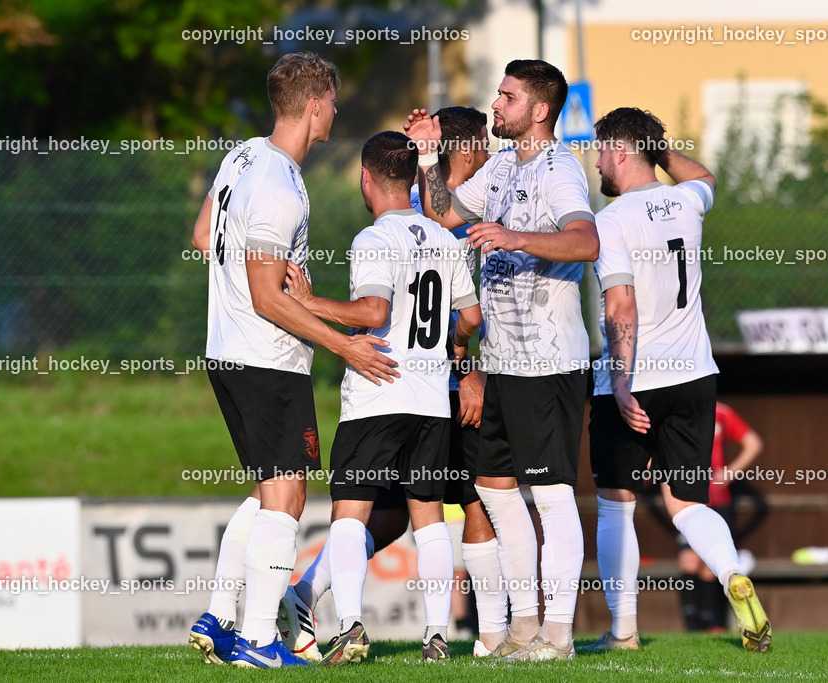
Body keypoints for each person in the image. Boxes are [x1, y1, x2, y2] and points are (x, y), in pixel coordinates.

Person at [186, 52, 399, 669]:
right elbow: (264, 295)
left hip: (225, 351)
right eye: (332, 100)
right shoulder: (280, 183)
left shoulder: (242, 156)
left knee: (265, 492)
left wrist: (258, 278)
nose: (336, 110)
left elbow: (204, 237)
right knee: (287, 498)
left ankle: (220, 617)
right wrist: (344, 345)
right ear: (313, 105)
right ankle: (258, 641)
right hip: (266, 358)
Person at [277, 107, 508, 661]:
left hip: (377, 394)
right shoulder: (445, 237)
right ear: (410, 178)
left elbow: (371, 308)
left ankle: (352, 626)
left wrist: (310, 303)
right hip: (431, 403)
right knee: (428, 518)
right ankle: (436, 636)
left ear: (365, 178)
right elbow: (471, 319)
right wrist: (444, 352)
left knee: (351, 514)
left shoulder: (372, 238)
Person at [406, 59, 599, 661]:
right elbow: (442, 212)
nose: (497, 103)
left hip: (549, 363)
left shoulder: (559, 167)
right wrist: (425, 156)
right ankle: (522, 629)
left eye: (508, 96)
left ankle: (560, 634)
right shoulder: (502, 172)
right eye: (499, 93)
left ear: (539, 111)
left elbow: (586, 240)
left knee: (552, 496)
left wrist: (515, 237)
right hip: (505, 363)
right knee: (494, 489)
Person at [583, 107, 772, 654]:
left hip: (638, 375)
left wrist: (619, 382)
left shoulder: (611, 219)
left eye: (602, 149)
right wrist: (656, 149)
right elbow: (705, 177)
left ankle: (623, 632)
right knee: (687, 502)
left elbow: (621, 303)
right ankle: (733, 571)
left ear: (620, 150)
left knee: (617, 501)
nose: (597, 161)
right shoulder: (688, 202)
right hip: (695, 374)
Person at [677, 402, 763, 631]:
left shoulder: (722, 413)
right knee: (689, 562)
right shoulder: (674, 408)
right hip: (687, 499)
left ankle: (714, 625)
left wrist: (729, 473)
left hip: (718, 501)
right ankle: (692, 629)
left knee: (711, 566)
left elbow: (753, 443)